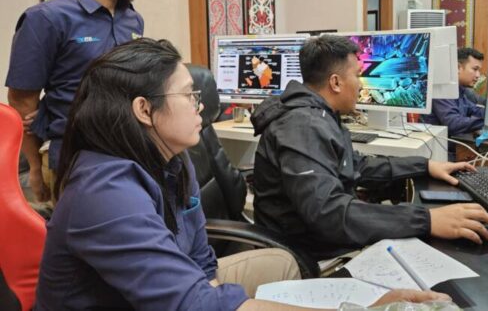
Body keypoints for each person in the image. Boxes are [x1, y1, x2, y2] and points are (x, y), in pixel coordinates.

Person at [34, 38, 450, 310]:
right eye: (189, 94)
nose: (201, 105)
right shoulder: (105, 193)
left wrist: (214, 291)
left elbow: (200, 258)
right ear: (144, 109)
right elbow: (194, 304)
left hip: (178, 290)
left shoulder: (173, 158)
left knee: (283, 266)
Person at [251, 35, 488, 261]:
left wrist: (425, 166)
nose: (362, 85)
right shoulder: (304, 126)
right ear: (336, 82)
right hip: (304, 252)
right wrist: (428, 220)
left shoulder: (319, 115)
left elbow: (356, 165)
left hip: (317, 235)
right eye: (358, 75)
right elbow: (329, 213)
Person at [5, 0, 154, 203]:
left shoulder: (133, 20)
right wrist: (34, 167)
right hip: (73, 157)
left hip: (127, 151)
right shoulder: (46, 19)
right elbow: (22, 101)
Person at [422, 47, 486, 139]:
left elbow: (473, 109)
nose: (478, 75)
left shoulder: (458, 90)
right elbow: (454, 123)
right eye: (475, 69)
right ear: (458, 68)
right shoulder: (441, 90)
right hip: (441, 147)